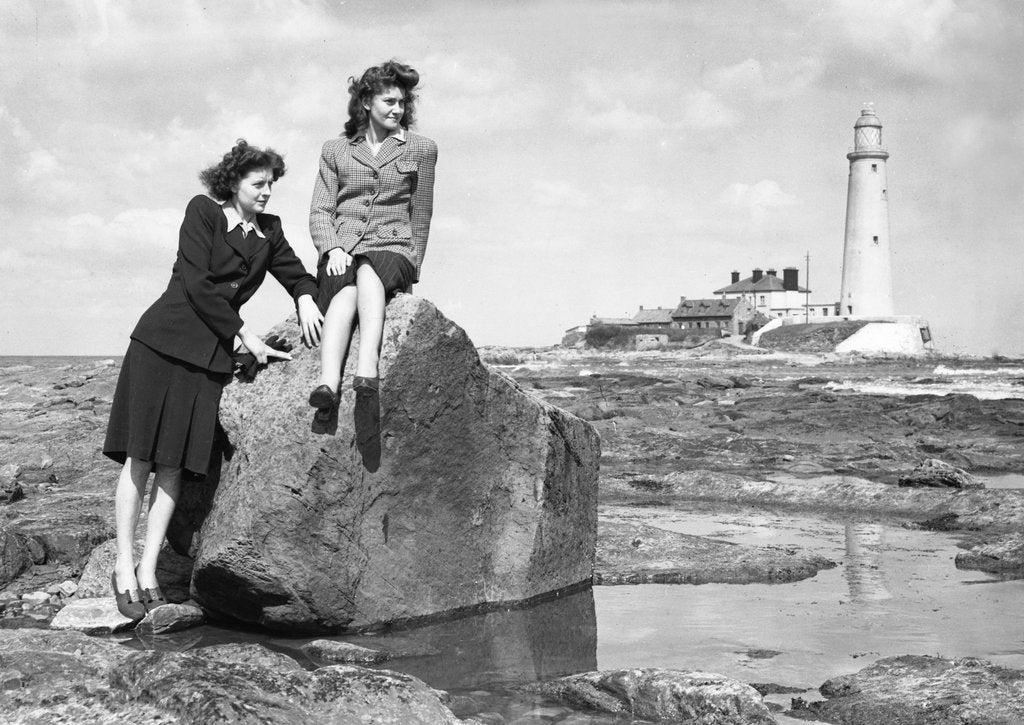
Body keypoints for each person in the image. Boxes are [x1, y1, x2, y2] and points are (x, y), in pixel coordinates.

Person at [103, 140, 323, 622]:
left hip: (207, 360)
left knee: (174, 466)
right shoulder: (203, 211)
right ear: (233, 183)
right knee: (140, 458)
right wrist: (244, 333)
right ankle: (122, 567)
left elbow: (296, 274)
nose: (266, 192)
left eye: (271, 184)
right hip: (162, 343)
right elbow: (197, 284)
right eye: (257, 183)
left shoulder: (270, 231)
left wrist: (306, 296)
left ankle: (148, 570)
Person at [307, 60, 437, 418]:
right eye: (389, 101)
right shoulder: (335, 149)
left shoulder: (422, 149)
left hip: (394, 249)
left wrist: (413, 273)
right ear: (366, 102)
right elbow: (320, 210)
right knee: (346, 291)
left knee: (368, 269)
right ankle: (328, 384)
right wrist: (332, 248)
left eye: (402, 102)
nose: (398, 109)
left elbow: (421, 215)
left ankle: (367, 370)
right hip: (344, 251)